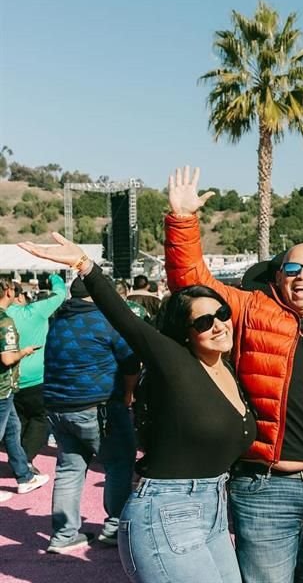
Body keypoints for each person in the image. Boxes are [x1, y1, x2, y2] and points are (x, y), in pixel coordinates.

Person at [163, 167, 303, 583]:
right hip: (266, 488)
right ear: (278, 278)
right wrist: (183, 221)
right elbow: (192, 284)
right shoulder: (251, 311)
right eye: (293, 269)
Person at [19, 232, 257, 582]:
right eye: (203, 322)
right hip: (167, 510)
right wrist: (85, 265)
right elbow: (126, 321)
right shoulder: (176, 364)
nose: (219, 324)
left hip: (214, 509)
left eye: (221, 313)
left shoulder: (229, 369)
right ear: (185, 332)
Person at [40, 275, 139, 552]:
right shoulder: (107, 320)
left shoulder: (58, 319)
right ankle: (114, 528)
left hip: (58, 408)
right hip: (99, 407)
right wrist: (129, 393)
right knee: (119, 463)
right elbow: (131, 362)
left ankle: (63, 536)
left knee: (69, 469)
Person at [0, 278, 48, 503]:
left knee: (13, 428)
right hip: (3, 387)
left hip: (6, 389)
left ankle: (24, 475)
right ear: (8, 291)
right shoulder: (4, 321)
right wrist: (25, 351)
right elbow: (8, 357)